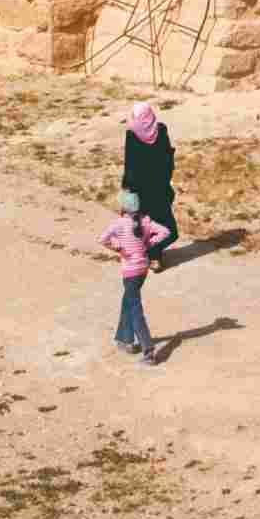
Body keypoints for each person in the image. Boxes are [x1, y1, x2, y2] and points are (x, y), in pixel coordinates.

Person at [104, 193, 170, 365]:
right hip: (143, 270)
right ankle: (124, 339)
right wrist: (148, 244)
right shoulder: (146, 221)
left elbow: (102, 239)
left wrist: (118, 248)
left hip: (130, 271)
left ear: (123, 207)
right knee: (128, 301)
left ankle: (148, 352)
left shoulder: (119, 224)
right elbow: (165, 231)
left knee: (135, 309)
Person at [122, 102, 178, 252]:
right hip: (159, 189)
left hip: (142, 190)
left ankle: (144, 253)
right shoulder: (160, 130)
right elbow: (168, 159)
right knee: (169, 231)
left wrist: (127, 188)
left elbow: (130, 164)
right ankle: (152, 254)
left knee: (149, 226)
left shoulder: (132, 133)